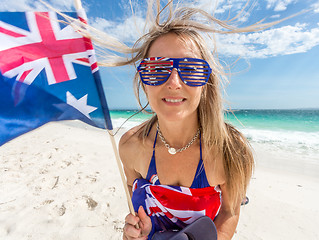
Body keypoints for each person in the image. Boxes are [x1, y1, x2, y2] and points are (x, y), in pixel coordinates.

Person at [113, 1, 268, 239]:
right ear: (143, 80)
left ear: (206, 82)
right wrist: (135, 231)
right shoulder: (130, 145)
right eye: (156, 69)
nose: (174, 83)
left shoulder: (231, 151)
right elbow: (136, 208)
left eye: (191, 69)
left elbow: (229, 212)